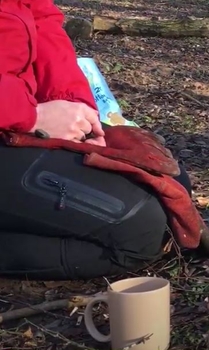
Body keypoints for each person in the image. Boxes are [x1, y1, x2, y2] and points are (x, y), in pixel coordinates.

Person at [0, 0, 192, 280]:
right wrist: (30, 115)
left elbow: (42, 22)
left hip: (18, 123)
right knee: (140, 231)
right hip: (17, 118)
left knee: (171, 188)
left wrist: (74, 109)